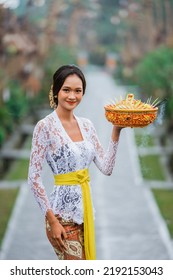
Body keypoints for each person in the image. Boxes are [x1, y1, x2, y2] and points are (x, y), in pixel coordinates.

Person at [28, 64, 123, 260]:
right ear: (55, 91)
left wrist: (116, 131)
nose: (72, 96)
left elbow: (106, 168)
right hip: (61, 218)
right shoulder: (45, 127)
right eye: (66, 90)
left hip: (85, 214)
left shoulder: (87, 125)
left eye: (78, 91)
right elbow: (34, 178)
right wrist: (52, 221)